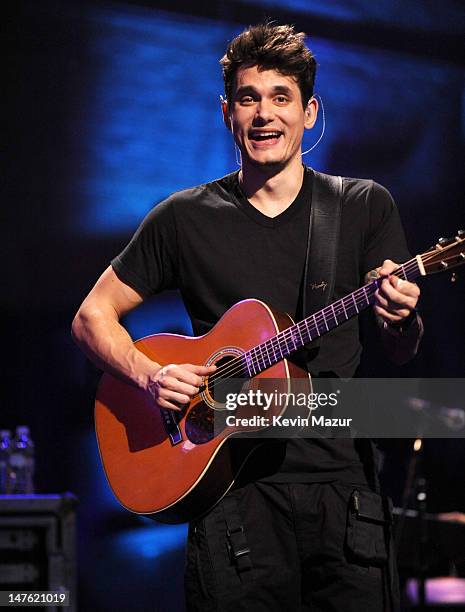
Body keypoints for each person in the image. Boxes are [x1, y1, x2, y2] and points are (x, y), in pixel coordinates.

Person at [72, 23, 423, 611]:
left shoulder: (362, 206)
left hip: (341, 492)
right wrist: (150, 375)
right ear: (227, 112)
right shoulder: (183, 218)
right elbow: (91, 318)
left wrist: (400, 316)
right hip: (230, 497)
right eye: (248, 97)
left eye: (281, 97)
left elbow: (404, 349)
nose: (264, 114)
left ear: (309, 113)